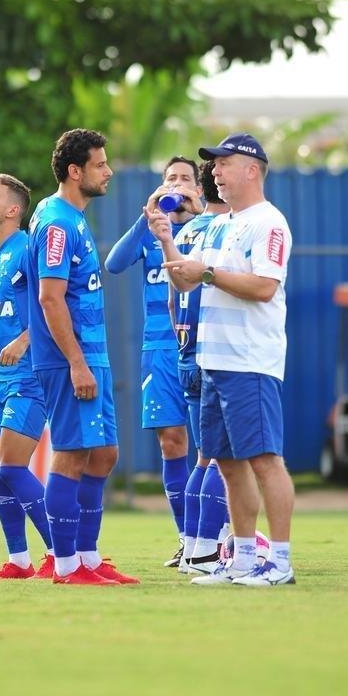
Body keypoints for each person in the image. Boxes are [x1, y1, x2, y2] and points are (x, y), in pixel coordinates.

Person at [145, 132, 295, 586]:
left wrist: (206, 271)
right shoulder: (225, 224)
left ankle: (281, 561)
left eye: (223, 164)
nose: (214, 172)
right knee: (227, 464)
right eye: (213, 165)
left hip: (249, 361)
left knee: (265, 459)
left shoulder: (268, 222)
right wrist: (168, 242)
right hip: (213, 361)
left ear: (252, 170)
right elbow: (186, 283)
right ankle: (244, 558)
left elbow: (265, 287)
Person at [27, 128, 139, 585]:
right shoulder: (56, 222)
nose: (108, 170)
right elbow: (50, 299)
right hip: (69, 359)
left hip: (92, 354)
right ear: (76, 172)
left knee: (105, 454)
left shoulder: (72, 216)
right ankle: (66, 564)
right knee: (72, 454)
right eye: (100, 164)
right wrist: (75, 362)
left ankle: (88, 558)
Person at [105, 156, 200, 569]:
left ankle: (218, 536)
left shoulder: (207, 228)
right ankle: (186, 540)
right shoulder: (151, 231)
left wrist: (197, 213)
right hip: (159, 350)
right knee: (171, 441)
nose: (176, 184)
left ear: (199, 187)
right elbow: (114, 263)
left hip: (203, 346)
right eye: (170, 178)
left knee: (213, 449)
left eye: (185, 179)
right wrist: (147, 219)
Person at [0, 173, 54, 580]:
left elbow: (54, 305)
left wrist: (25, 341)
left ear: (13, 210)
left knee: (14, 468)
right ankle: (19, 561)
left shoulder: (25, 249)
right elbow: (8, 317)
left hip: (29, 376)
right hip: (2, 376)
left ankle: (61, 552)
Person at [169, 161, 231, 574]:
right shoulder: (228, 229)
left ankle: (193, 546)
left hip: (186, 353)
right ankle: (208, 550)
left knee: (202, 458)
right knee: (220, 458)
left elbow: (174, 297)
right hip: (216, 355)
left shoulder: (186, 231)